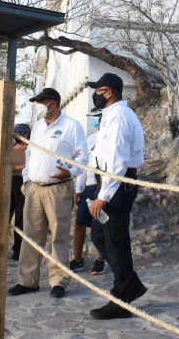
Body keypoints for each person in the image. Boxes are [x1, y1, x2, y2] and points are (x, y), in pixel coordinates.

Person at [7, 87, 88, 299]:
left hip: (58, 189)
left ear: (53, 102)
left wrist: (69, 172)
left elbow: (83, 157)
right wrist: (26, 181)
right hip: (34, 188)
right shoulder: (38, 128)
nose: (41, 106)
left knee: (59, 236)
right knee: (30, 236)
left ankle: (58, 281)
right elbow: (31, 155)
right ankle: (27, 281)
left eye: (43, 102)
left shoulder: (72, 126)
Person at [87, 73, 146, 320]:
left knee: (115, 241)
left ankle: (121, 298)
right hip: (109, 181)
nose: (95, 95)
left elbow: (117, 160)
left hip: (118, 184)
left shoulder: (120, 116)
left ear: (108, 92)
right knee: (100, 236)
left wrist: (104, 195)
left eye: (98, 90)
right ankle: (129, 283)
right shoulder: (111, 116)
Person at [69, 107, 105, 275]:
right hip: (89, 186)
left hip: (103, 184)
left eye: (97, 116)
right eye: (93, 116)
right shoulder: (89, 139)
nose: (95, 119)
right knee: (79, 223)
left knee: (102, 224)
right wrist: (78, 189)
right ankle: (77, 259)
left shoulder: (110, 137)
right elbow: (83, 165)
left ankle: (100, 260)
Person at [9, 123, 31, 261]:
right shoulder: (9, 149)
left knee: (21, 219)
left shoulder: (31, 149)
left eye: (22, 133)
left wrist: (16, 168)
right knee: (5, 216)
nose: (20, 135)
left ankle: (18, 249)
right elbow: (5, 166)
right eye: (17, 132)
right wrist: (20, 167)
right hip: (9, 184)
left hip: (24, 184)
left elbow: (31, 166)